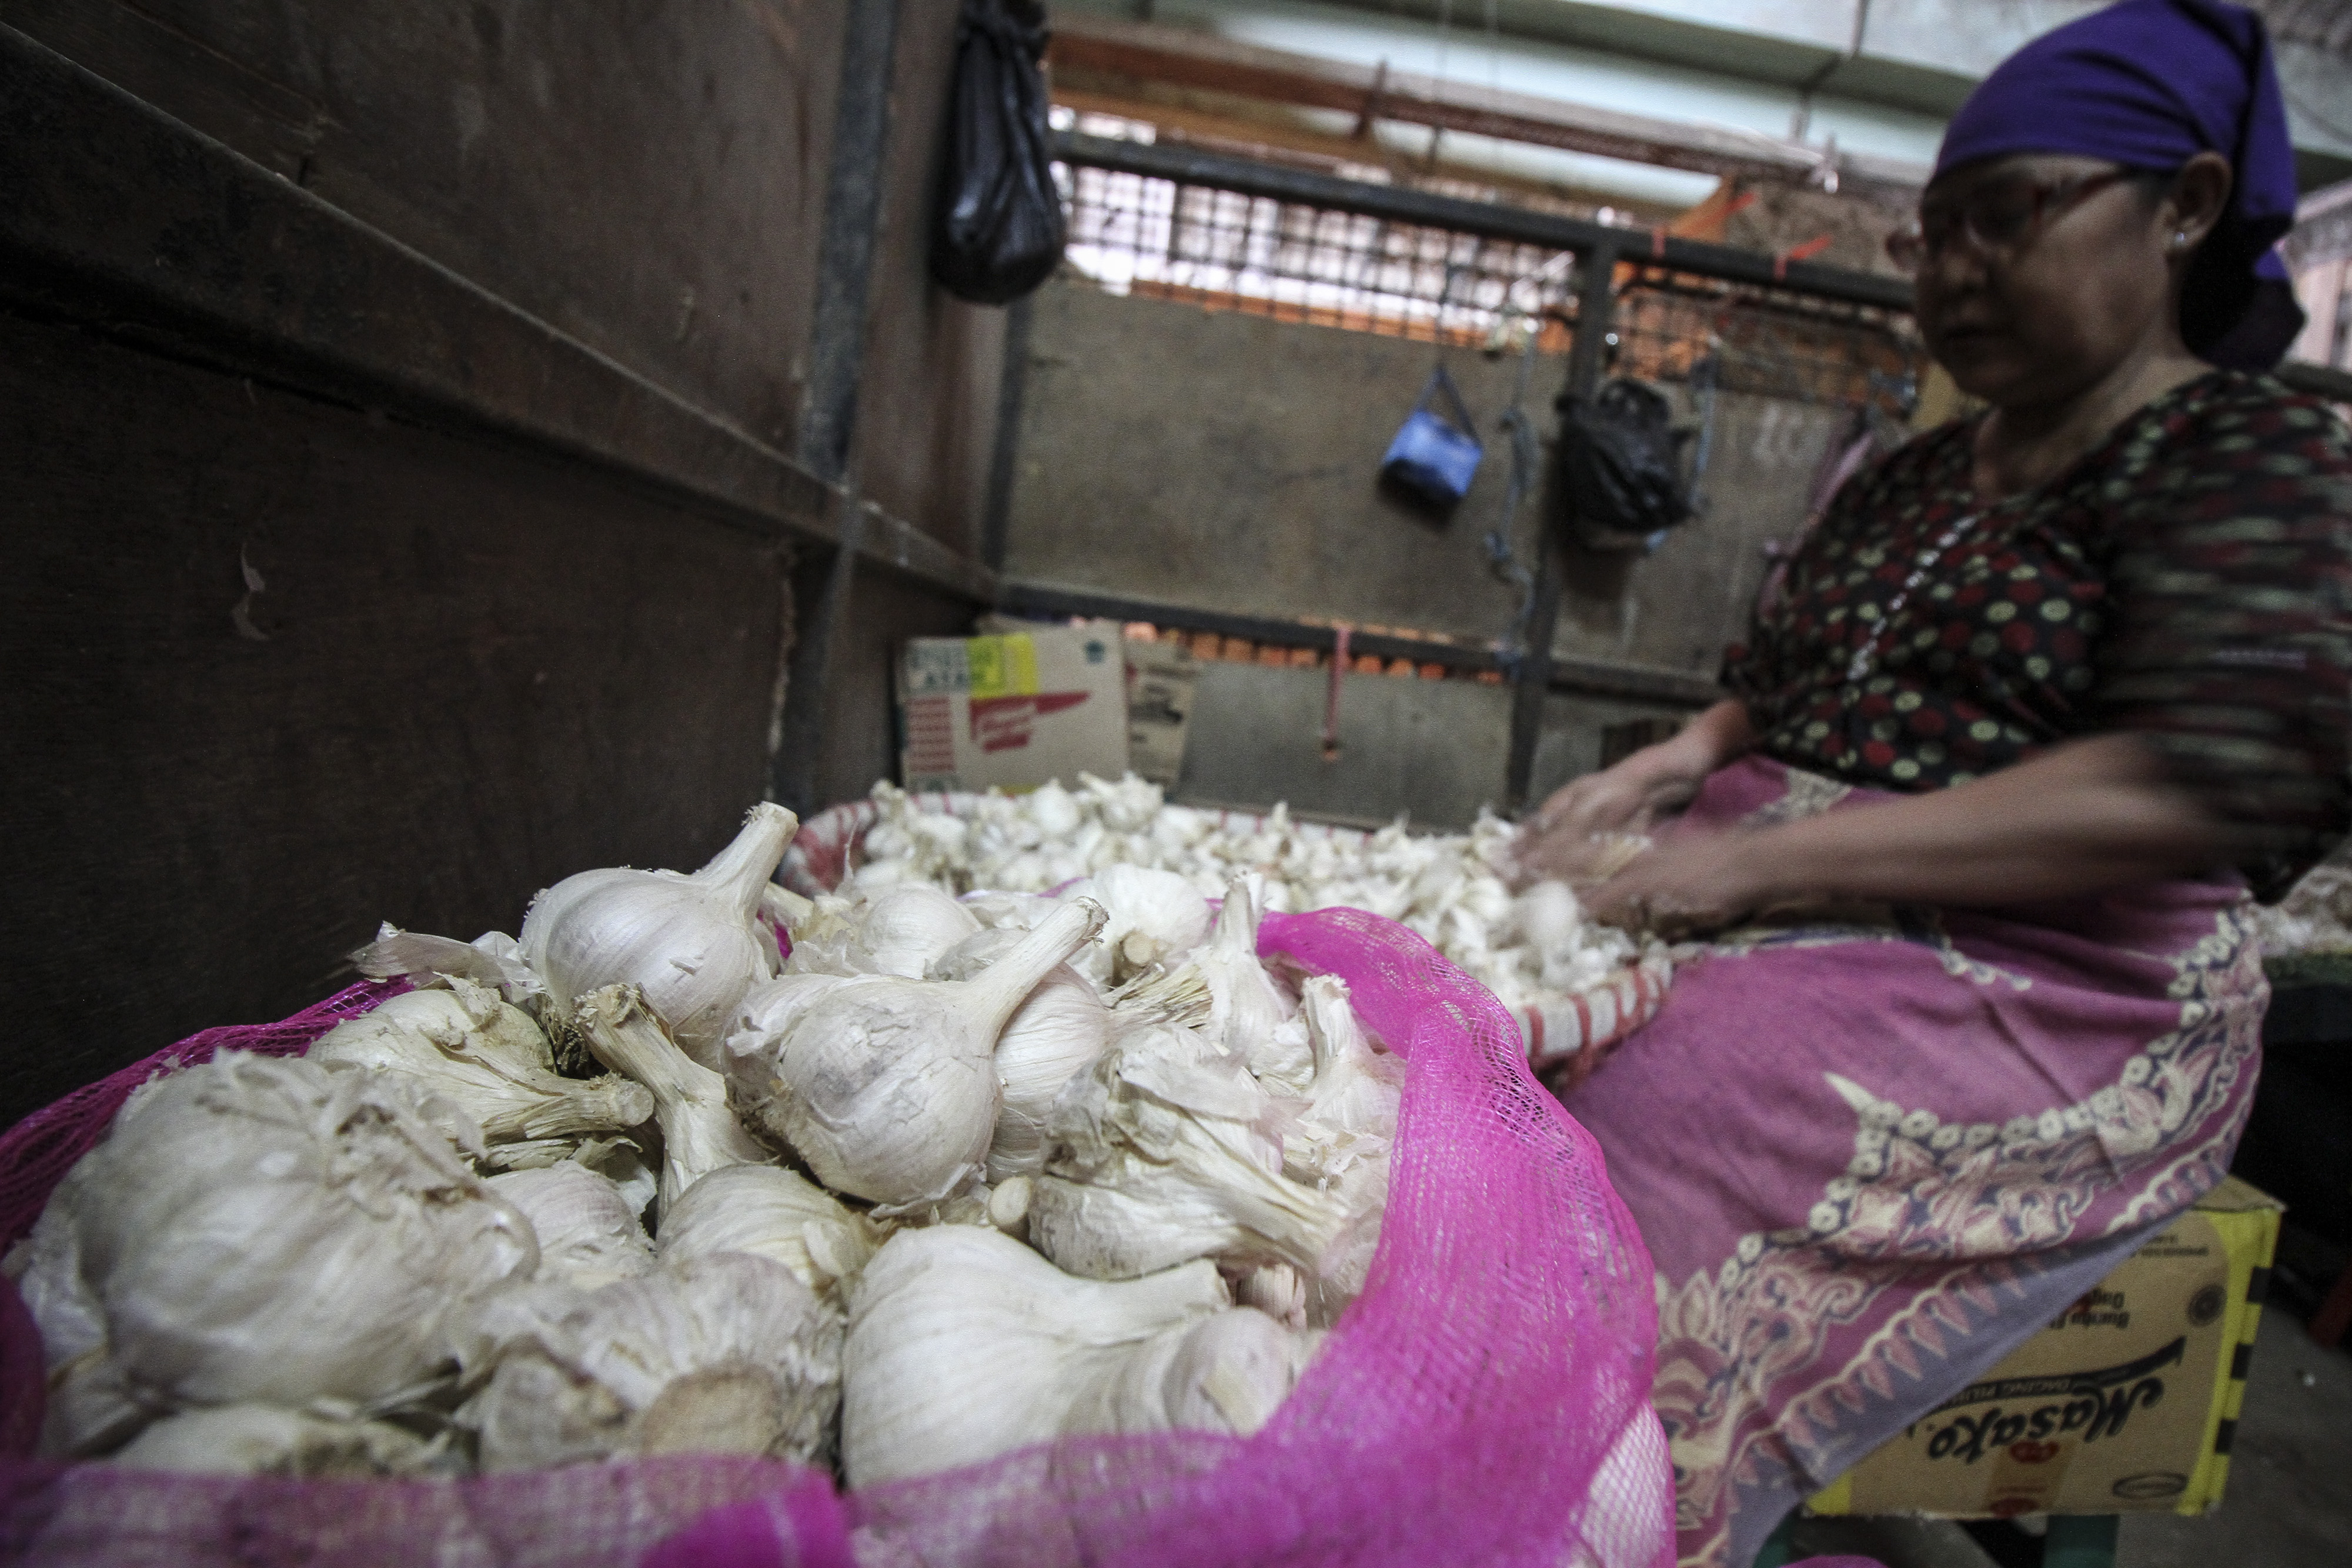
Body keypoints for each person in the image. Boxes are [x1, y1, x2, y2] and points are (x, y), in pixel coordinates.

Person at [1511, 3, 2351, 1563]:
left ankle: (1595, 1498)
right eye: (1933, 233)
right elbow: (1780, 684)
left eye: (2007, 216)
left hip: (2061, 972)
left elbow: (2207, 783)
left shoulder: (2253, 461)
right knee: (1499, 1004)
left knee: (1640, 1116)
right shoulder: (1907, 473)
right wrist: (1673, 766)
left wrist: (1759, 871)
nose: (1955, 269)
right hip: (1803, 899)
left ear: (2180, 205)